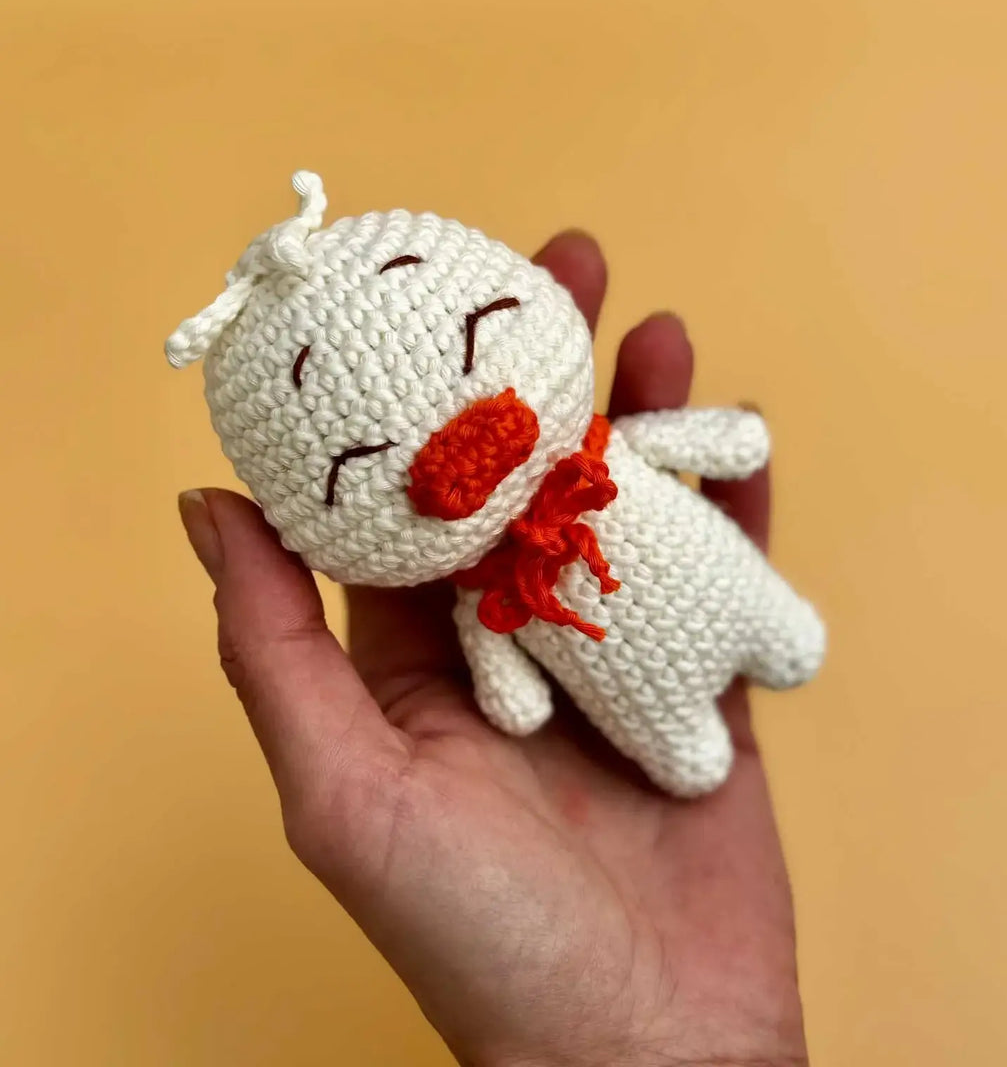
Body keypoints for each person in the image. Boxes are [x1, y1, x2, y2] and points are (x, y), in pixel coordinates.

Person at [177, 230, 808, 1067]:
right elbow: (503, 673)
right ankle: (696, 733)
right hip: (619, 679)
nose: (456, 447)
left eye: (477, 332)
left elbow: (704, 445)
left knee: (781, 631)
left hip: (705, 569)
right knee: (691, 753)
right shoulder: (491, 590)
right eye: (356, 463)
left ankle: (779, 632)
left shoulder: (599, 461)